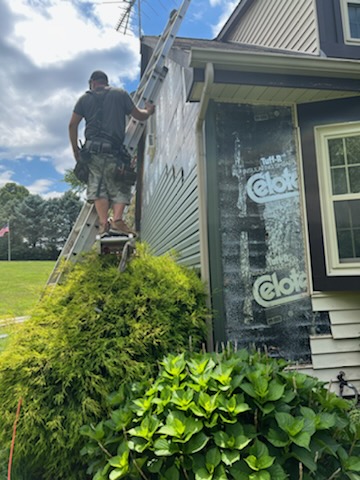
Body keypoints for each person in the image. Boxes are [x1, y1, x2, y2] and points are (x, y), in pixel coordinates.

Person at [69, 70, 155, 237]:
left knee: (97, 184)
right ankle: (117, 219)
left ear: (92, 82)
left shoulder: (84, 99)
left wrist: (76, 151)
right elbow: (139, 116)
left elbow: (72, 125)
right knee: (121, 181)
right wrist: (149, 111)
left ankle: (103, 223)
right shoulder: (120, 94)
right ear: (105, 82)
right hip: (115, 150)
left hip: (92, 151)